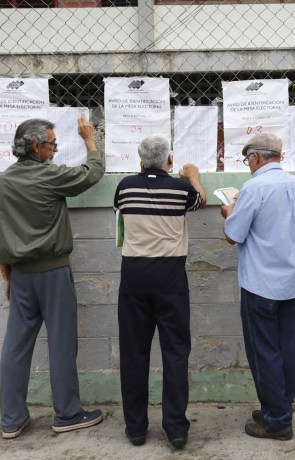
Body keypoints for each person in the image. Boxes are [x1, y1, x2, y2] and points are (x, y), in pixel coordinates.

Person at [0, 116, 105, 439]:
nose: (55, 149)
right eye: (51, 144)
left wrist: (7, 276)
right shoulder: (47, 176)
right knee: (62, 343)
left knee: (16, 346)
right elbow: (90, 174)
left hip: (20, 275)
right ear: (36, 147)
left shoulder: (1, 183)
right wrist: (89, 140)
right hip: (52, 271)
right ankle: (67, 414)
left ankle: (11, 419)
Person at [114, 135, 206, 449]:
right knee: (176, 353)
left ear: (140, 161)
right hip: (171, 281)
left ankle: (136, 428)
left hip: (134, 279)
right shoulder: (182, 190)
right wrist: (192, 175)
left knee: (134, 354)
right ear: (169, 160)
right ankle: (176, 429)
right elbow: (200, 200)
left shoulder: (125, 187)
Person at [220, 133, 295, 441]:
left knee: (264, 352)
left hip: (260, 283)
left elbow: (233, 234)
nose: (249, 165)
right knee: (284, 348)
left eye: (249, 160)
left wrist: (228, 212)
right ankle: (279, 405)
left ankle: (277, 421)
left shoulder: (254, 187)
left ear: (257, 158)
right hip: (291, 282)